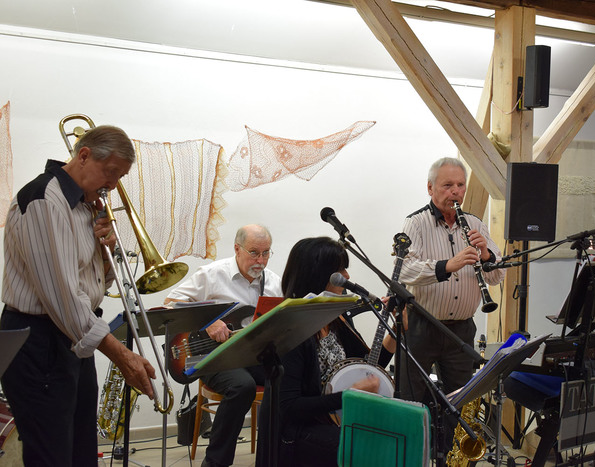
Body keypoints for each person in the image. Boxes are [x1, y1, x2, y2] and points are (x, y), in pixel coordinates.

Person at [1, 125, 156, 466]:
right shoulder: (44, 201)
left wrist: (105, 252)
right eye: (110, 172)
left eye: (120, 177)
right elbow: (64, 300)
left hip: (71, 339)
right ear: (83, 155)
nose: (112, 185)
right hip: (38, 341)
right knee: (52, 455)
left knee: (81, 451)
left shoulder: (85, 205)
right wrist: (122, 355)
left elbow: (94, 284)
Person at [256, 236, 398, 467]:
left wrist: (397, 331)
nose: (347, 276)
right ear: (318, 275)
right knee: (372, 444)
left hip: (330, 420)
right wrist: (349, 396)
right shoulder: (292, 330)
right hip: (298, 431)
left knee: (399, 431)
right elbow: (289, 407)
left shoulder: (336, 318)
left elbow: (369, 367)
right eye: (340, 270)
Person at [397, 157, 506, 452]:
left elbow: (497, 276)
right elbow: (404, 270)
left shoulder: (475, 224)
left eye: (460, 185)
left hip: (461, 331)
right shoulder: (415, 223)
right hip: (422, 327)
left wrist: (486, 255)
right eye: (447, 185)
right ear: (430, 188)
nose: (455, 191)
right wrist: (448, 265)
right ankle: (412, 455)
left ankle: (450, 455)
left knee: (460, 404)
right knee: (411, 400)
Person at [164, 224, 282, 467]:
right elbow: (171, 302)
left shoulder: (274, 283)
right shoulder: (212, 274)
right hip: (214, 355)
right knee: (242, 386)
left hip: (252, 355)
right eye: (254, 252)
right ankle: (215, 462)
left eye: (266, 253)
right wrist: (207, 321)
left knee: (286, 376)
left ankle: (274, 456)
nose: (260, 260)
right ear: (237, 249)